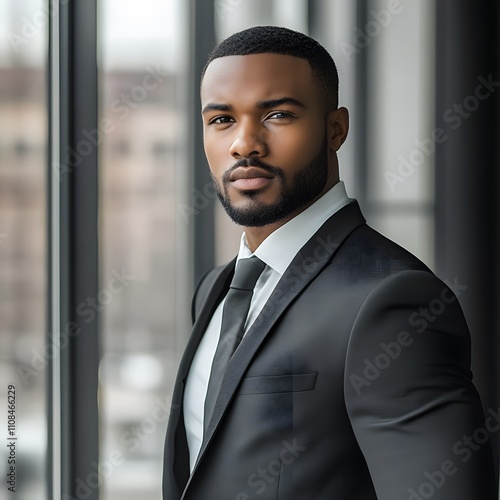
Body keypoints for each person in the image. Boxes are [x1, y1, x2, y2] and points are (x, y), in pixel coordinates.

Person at [162, 26, 496, 499]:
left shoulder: (393, 301)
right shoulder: (214, 290)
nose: (244, 144)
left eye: (277, 114)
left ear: (335, 128)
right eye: (221, 120)